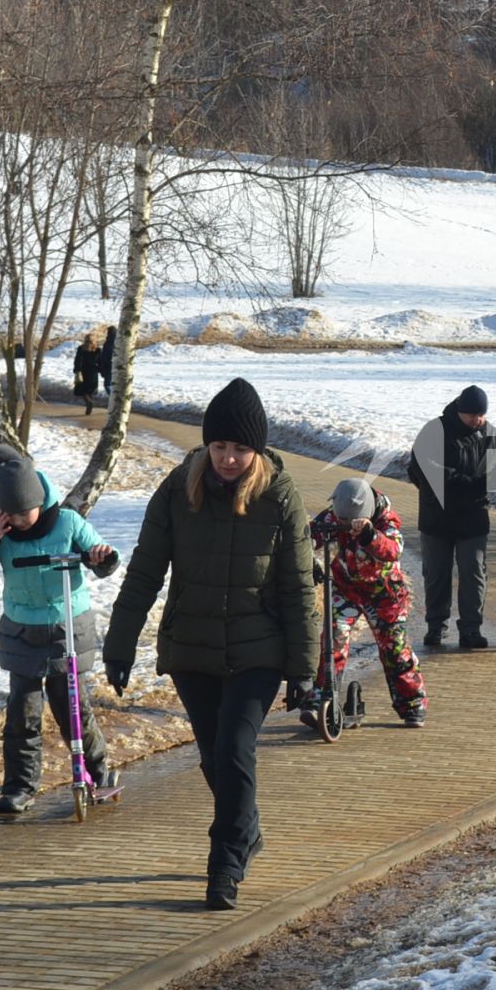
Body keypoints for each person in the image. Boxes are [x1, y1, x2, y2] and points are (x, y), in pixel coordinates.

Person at [102, 377, 320, 911]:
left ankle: (223, 866)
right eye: (220, 447)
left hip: (258, 649)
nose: (228, 459)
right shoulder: (179, 489)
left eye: (240, 449)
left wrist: (305, 669)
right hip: (194, 646)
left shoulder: (280, 498)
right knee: (212, 757)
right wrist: (120, 643)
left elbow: (297, 587)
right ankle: (245, 827)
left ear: (258, 450)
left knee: (233, 749)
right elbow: (145, 572)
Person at [0, 444, 120, 815]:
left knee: (72, 707)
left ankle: (98, 771)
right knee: (23, 713)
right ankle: (19, 786)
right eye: (10, 513)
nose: (20, 519)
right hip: (22, 634)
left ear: (40, 499)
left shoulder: (68, 522)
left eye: (24, 511)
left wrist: (101, 557)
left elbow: (103, 556)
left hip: (68, 631)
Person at [406, 385, 496, 649]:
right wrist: (459, 482)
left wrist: (483, 484)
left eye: (481, 415)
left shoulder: (491, 435)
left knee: (473, 574)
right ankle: (436, 627)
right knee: (436, 575)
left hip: (473, 519)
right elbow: (419, 468)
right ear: (459, 410)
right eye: (472, 415)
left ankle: (471, 629)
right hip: (437, 520)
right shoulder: (434, 431)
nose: (477, 420)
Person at [310, 479, 426, 728]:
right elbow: (310, 536)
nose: (343, 525)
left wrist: (369, 535)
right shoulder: (333, 516)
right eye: (340, 520)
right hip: (346, 589)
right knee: (333, 640)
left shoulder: (387, 520)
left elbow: (393, 549)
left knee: (394, 647)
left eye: (348, 523)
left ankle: (412, 703)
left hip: (384, 594)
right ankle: (322, 699)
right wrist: (309, 556)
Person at [73, 332, 104, 416]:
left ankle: (88, 403)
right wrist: (100, 370)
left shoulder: (81, 348)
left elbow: (77, 360)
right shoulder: (98, 350)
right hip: (93, 372)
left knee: (81, 390)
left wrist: (77, 370)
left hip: (83, 371)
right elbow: (100, 362)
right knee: (90, 390)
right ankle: (89, 405)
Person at [100, 325, 117, 401]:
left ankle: (114, 399)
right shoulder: (119, 342)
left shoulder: (108, 342)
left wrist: (102, 366)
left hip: (108, 366)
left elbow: (105, 355)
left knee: (107, 385)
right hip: (117, 366)